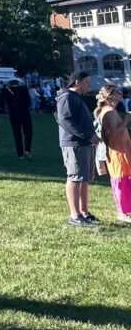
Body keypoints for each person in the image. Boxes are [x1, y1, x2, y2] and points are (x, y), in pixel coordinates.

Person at [58, 71, 101, 226]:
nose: (89, 86)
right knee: (75, 177)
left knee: (84, 178)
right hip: (74, 144)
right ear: (77, 82)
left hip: (85, 143)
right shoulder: (67, 97)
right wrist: (88, 136)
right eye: (87, 83)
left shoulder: (77, 98)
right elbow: (66, 121)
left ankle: (84, 211)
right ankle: (74, 214)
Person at [94, 85, 131, 224]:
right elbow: (114, 133)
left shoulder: (112, 110)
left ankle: (126, 209)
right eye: (117, 92)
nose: (121, 93)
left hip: (123, 148)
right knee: (120, 179)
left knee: (126, 178)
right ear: (110, 96)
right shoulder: (108, 111)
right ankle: (122, 212)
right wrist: (127, 119)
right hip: (117, 150)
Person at [0, 79, 33, 159]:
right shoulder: (24, 89)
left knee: (17, 134)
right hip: (24, 113)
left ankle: (20, 154)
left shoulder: (6, 90)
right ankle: (27, 150)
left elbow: (1, 101)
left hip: (13, 114)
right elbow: (28, 102)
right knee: (28, 132)